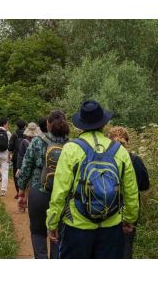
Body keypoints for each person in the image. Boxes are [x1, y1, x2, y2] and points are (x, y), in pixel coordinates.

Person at [46, 100, 139, 259]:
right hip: (112, 225)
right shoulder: (119, 151)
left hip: (77, 226)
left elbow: (59, 192)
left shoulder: (71, 149)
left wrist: (52, 223)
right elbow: (131, 190)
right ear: (104, 124)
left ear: (80, 125)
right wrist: (130, 218)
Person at [18, 110, 69, 259]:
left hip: (39, 192)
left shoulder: (37, 142)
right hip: (62, 195)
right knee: (58, 234)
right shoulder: (71, 145)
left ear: (47, 124)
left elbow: (26, 168)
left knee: (38, 232)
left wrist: (21, 192)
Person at [108, 126, 150, 258]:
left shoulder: (105, 160)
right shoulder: (135, 160)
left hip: (107, 208)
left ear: (109, 141)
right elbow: (145, 185)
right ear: (127, 140)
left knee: (107, 247)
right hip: (130, 208)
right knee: (126, 247)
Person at [8, 119, 27, 199]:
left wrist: (9, 155)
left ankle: (18, 192)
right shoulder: (27, 134)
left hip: (16, 157)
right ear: (25, 126)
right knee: (26, 174)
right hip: (26, 157)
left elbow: (10, 147)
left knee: (16, 175)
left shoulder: (14, 135)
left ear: (17, 126)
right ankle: (25, 192)